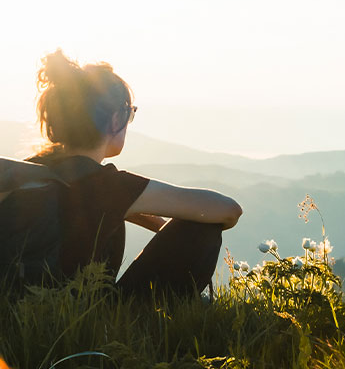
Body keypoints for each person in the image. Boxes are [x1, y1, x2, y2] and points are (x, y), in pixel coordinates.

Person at [16, 49, 241, 299]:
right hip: (87, 311)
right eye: (130, 113)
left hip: (18, 300)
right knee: (203, 230)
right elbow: (229, 210)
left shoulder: (29, 168)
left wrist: (132, 210)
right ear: (115, 120)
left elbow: (76, 209)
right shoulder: (107, 185)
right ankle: (150, 318)